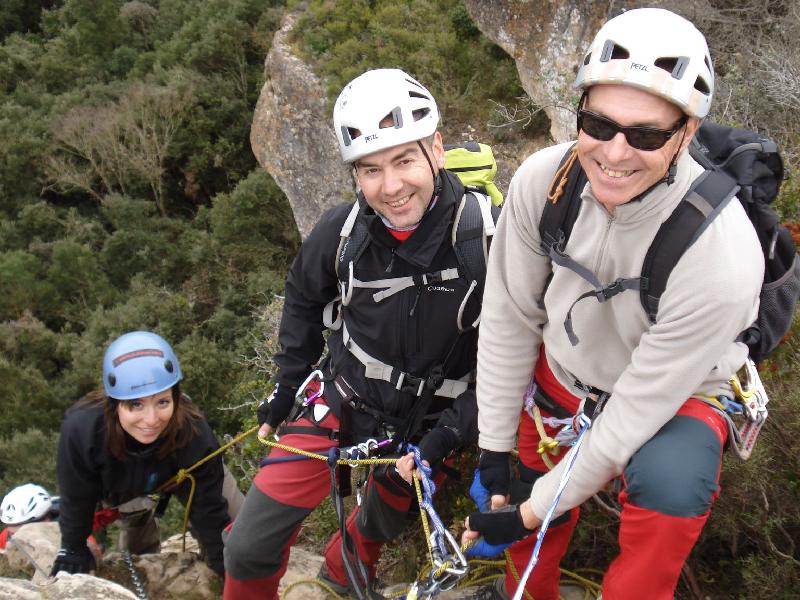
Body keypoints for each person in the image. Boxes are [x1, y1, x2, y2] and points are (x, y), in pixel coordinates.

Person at [462, 8, 763, 600]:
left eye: (646, 135)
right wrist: (493, 447)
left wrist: (530, 511)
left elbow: (632, 413)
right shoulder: (545, 182)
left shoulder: (721, 256)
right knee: (517, 488)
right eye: (598, 124)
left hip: (675, 392)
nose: (616, 153)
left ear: (687, 134)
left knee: (672, 488)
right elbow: (509, 314)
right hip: (566, 369)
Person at [223, 68, 496, 600]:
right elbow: (304, 300)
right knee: (248, 547)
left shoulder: (487, 239)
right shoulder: (342, 232)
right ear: (356, 175)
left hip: (432, 423)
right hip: (343, 398)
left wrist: (445, 438)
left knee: (379, 521)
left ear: (436, 150)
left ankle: (345, 567)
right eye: (371, 170)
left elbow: (509, 361)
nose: (390, 187)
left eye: (404, 160)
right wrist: (285, 387)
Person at [51, 330, 244, 577]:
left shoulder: (192, 432)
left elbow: (209, 507)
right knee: (136, 542)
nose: (151, 420)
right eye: (136, 404)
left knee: (242, 534)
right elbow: (77, 498)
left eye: (162, 402)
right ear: (114, 404)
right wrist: (73, 547)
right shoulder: (84, 433)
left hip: (182, 470)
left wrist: (226, 567)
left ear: (176, 397)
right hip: (120, 482)